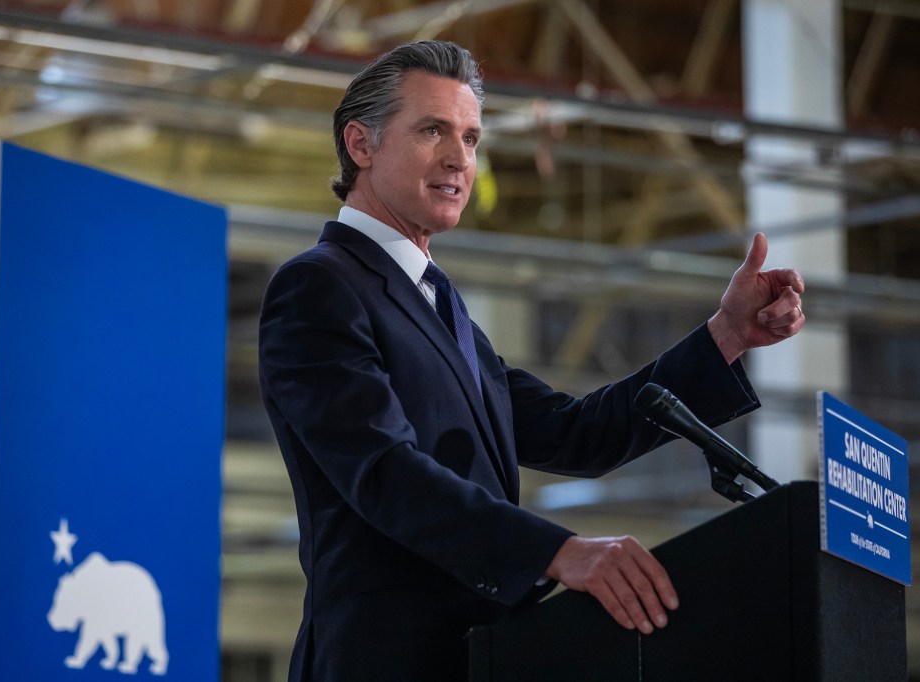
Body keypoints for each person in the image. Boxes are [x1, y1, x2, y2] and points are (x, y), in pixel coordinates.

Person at [258, 40, 805, 681]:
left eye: (470, 137)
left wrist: (727, 336)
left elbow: (575, 433)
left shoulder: (441, 308)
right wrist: (557, 552)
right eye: (432, 130)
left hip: (478, 658)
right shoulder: (319, 285)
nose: (459, 158)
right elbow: (383, 470)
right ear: (361, 144)